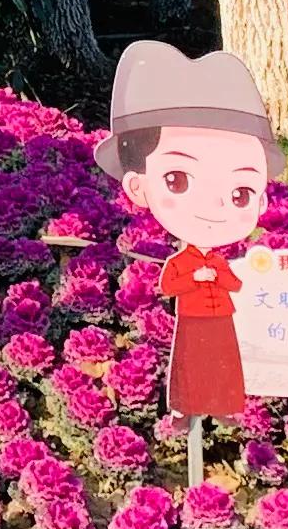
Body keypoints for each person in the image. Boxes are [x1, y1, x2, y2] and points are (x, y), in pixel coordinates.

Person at [98, 39, 275, 441]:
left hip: (222, 319)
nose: (214, 206)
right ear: (138, 186)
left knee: (225, 363)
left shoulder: (219, 259)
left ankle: (226, 406)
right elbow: (168, 284)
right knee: (190, 366)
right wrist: (196, 279)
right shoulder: (182, 260)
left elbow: (234, 283)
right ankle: (184, 409)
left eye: (240, 193)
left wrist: (229, 277)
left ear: (261, 199)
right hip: (192, 319)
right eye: (177, 180)